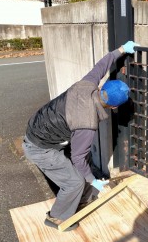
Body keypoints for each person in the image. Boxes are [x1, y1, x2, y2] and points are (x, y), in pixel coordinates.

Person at [22, 41, 139, 231]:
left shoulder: (87, 84)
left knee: (84, 168)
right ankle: (56, 218)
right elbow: (77, 157)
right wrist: (92, 181)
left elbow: (102, 64)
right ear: (115, 107)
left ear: (103, 88)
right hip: (39, 147)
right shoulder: (87, 123)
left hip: (40, 127)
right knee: (75, 181)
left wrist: (122, 50)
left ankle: (80, 203)